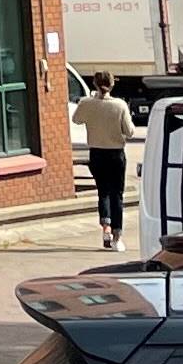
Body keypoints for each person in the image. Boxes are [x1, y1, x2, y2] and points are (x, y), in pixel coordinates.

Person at [73, 81, 134, 248]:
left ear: (95, 84)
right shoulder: (119, 105)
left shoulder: (87, 103)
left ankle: (105, 227)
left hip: (97, 152)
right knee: (117, 194)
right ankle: (117, 236)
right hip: (116, 153)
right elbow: (130, 131)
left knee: (103, 192)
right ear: (112, 85)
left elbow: (76, 119)